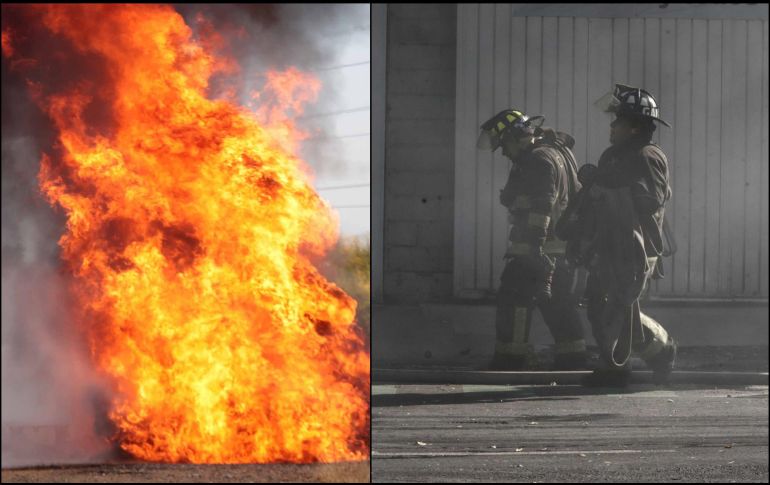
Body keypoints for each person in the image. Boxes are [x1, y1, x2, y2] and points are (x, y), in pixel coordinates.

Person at [559, 84, 677, 386]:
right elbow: (599, 196)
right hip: (608, 243)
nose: (611, 126)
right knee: (600, 306)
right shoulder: (613, 154)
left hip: (636, 246)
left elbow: (651, 199)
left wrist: (608, 181)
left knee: (616, 306)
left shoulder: (648, 156)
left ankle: (657, 352)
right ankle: (621, 362)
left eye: (618, 121)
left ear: (635, 127)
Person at [477, 109, 588, 370]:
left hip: (536, 249)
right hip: (559, 249)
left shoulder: (538, 159)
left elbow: (543, 206)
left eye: (504, 145)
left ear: (517, 137)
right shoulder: (555, 151)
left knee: (514, 299)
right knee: (557, 304)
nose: (503, 152)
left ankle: (510, 358)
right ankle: (573, 358)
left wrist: (536, 248)